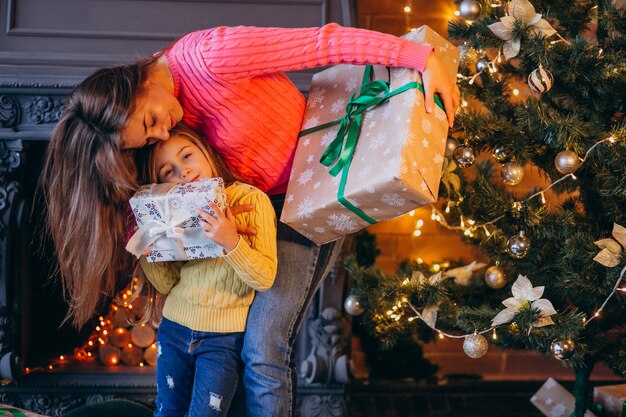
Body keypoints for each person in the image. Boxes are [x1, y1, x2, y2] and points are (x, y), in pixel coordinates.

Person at [41, 23, 460, 416]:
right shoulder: (160, 112)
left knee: (263, 346)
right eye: (149, 138)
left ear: (138, 82)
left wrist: (420, 58)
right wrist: (151, 238)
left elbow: (322, 42)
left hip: (303, 203)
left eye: (151, 122)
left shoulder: (213, 56)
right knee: (225, 351)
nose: (163, 137)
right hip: (241, 219)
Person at [132, 124, 277, 417]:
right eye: (167, 172)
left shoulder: (250, 200)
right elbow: (166, 284)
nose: (182, 171)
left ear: (206, 151)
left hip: (223, 339)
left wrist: (231, 241)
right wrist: (148, 253)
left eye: (187, 156)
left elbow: (264, 278)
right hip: (174, 327)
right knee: (167, 411)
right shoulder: (175, 211)